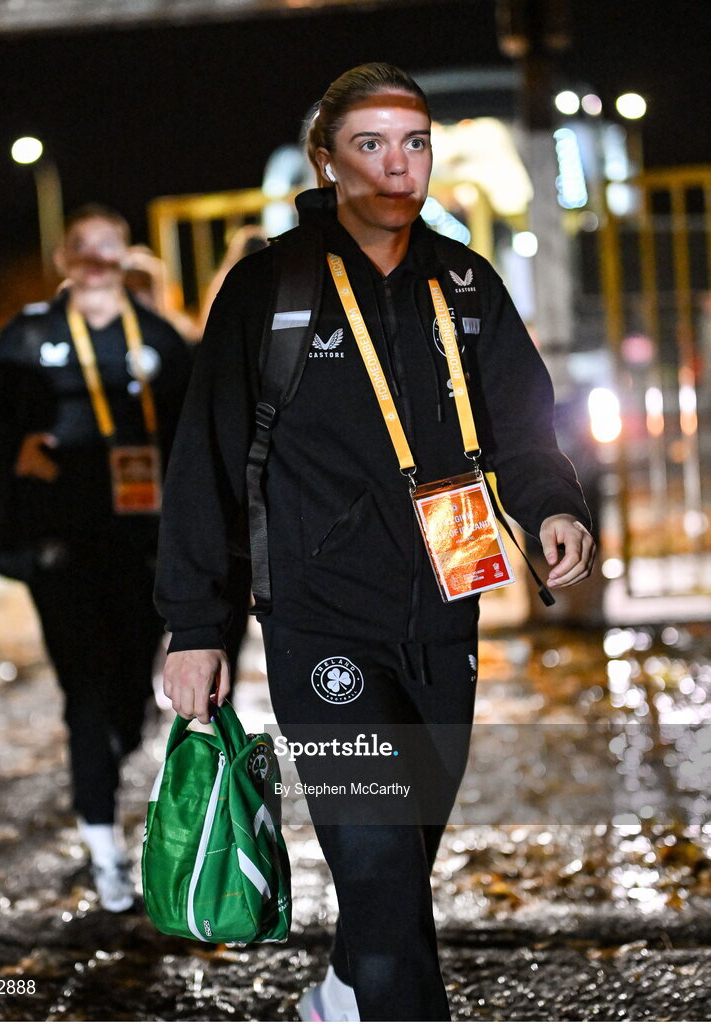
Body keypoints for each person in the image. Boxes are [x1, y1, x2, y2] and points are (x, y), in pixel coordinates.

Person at [155, 64, 595, 1021]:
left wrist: (551, 505)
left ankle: (344, 990)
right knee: (384, 864)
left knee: (405, 853)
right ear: (326, 160)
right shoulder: (269, 287)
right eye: (370, 144)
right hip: (321, 626)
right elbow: (206, 463)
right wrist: (196, 624)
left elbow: (522, 428)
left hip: (447, 611)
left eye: (415, 143)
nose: (398, 166)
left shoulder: (464, 282)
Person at [0, 205, 193, 913]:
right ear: (64, 257)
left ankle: (113, 752)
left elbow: (195, 431)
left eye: (108, 247)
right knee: (86, 696)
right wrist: (13, 455)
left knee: (129, 698)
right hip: (64, 552)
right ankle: (102, 843)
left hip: (143, 550)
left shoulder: (157, 339)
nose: (95, 259)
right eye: (82, 247)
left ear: (125, 257)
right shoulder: (27, 338)